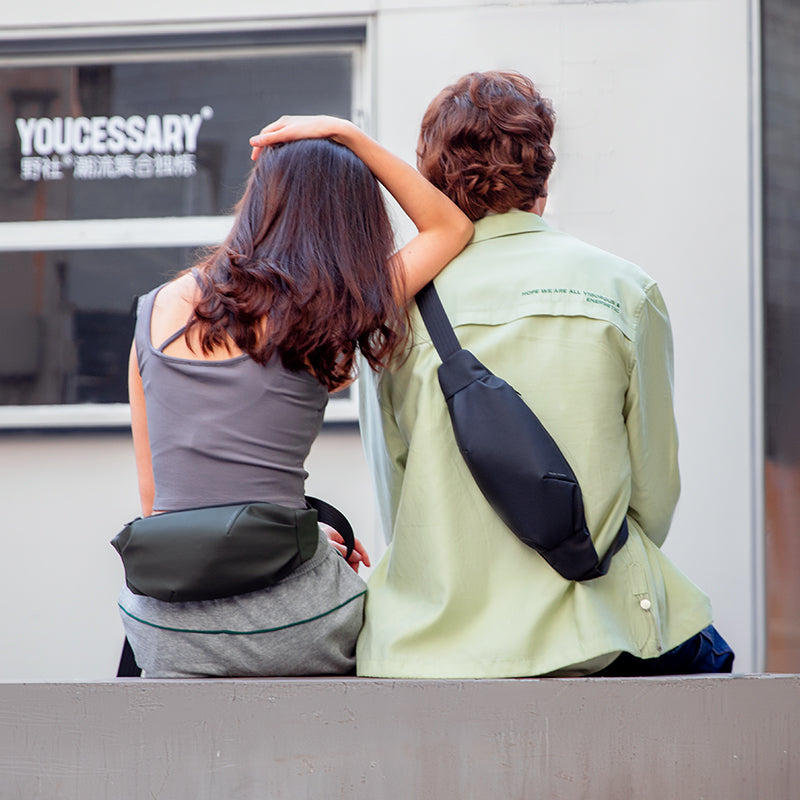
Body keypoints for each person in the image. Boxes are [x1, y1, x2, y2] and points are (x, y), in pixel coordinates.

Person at [342, 70, 734, 678]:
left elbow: (398, 501)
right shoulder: (625, 290)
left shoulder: (394, 305)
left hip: (429, 643)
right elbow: (654, 497)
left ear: (433, 185)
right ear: (542, 180)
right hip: (594, 631)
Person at [119, 116, 473, 678]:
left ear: (259, 200)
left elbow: (156, 505)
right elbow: (450, 227)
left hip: (162, 630)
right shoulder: (330, 308)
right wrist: (352, 137)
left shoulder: (152, 311)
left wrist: (294, 536)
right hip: (291, 626)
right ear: (349, 223)